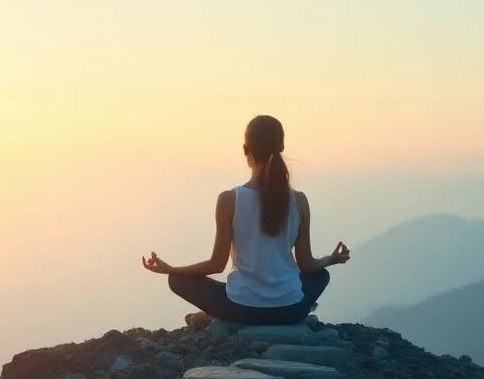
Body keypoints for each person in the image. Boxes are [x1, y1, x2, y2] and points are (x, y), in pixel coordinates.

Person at [142, 115, 350, 325]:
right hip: (290, 311)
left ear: (245, 149)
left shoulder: (229, 200)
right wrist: (330, 259)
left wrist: (170, 270)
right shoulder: (299, 201)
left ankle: (217, 316)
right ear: (281, 146)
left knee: (177, 280)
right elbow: (306, 264)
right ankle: (220, 316)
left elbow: (216, 264)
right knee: (321, 276)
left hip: (242, 308)